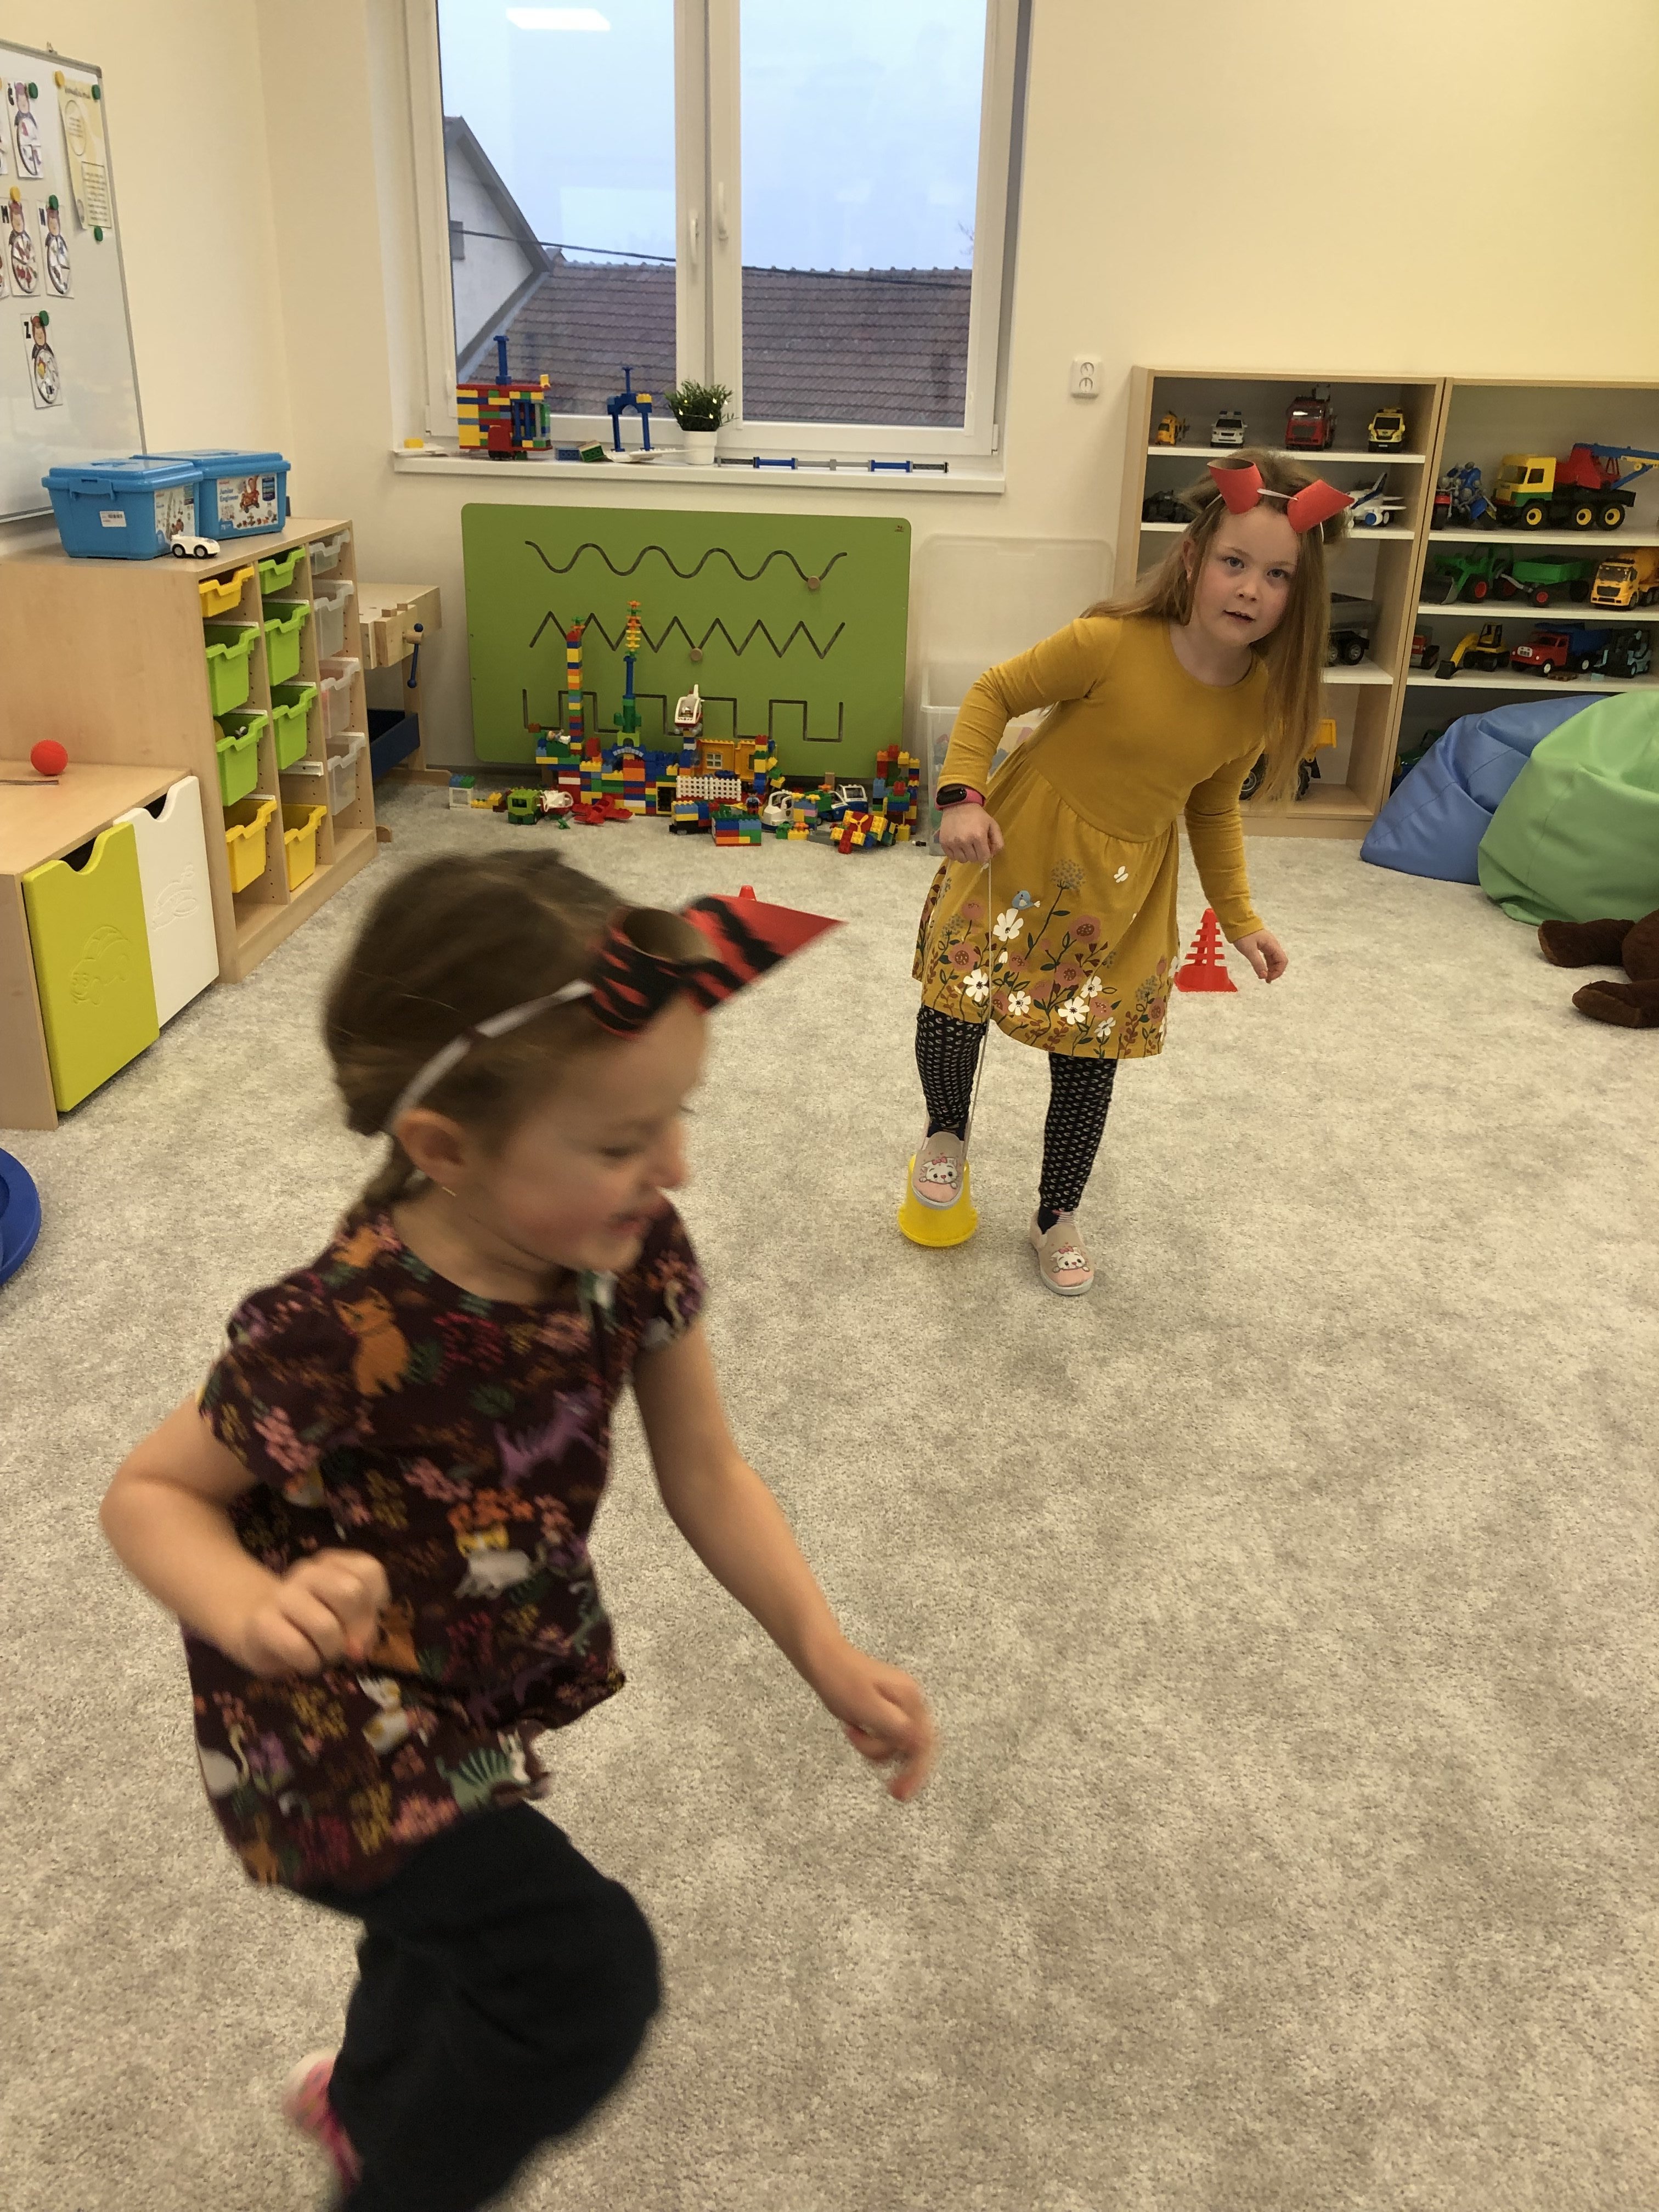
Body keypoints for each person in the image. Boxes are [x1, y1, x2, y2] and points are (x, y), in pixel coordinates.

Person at [100, 850, 936, 2212]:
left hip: (466, 1685)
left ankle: (365, 2102)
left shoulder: (632, 1251)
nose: (672, 1167)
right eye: (619, 1143)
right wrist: (250, 1605)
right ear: (445, 1150)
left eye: (676, 1118)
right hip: (326, 1734)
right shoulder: (340, 1325)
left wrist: (822, 1648)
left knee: (440, 1941)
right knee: (576, 1976)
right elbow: (149, 1493)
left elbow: (707, 1470)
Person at [909, 449, 1350, 1295]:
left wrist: (1243, 919)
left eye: (1277, 575)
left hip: (1119, 901)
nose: (1250, 589)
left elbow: (1212, 809)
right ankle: (945, 1133)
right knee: (955, 1005)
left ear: (1302, 596)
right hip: (1015, 860)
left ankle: (1056, 1213)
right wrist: (962, 796)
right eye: (1234, 562)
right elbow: (994, 692)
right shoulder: (1107, 643)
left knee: (1090, 1056)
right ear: (1192, 559)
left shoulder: (1257, 701)